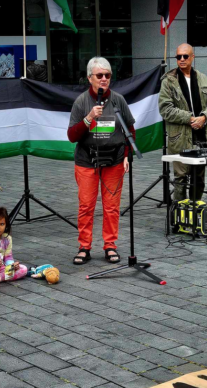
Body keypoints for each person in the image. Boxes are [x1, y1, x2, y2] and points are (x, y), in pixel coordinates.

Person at [67, 56, 135, 265]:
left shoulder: (118, 100)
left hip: (113, 161)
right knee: (86, 207)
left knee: (111, 207)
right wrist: (88, 118)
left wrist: (126, 157)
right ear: (90, 78)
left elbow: (130, 130)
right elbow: (71, 136)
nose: (104, 79)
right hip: (87, 161)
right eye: (100, 75)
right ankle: (84, 247)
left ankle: (110, 246)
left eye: (107, 75)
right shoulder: (81, 102)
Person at [159, 43, 207, 201]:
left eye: (185, 56)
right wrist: (191, 118)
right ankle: (180, 217)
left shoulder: (203, 79)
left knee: (199, 178)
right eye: (178, 57)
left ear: (193, 57)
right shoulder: (168, 81)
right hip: (180, 139)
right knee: (181, 179)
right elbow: (165, 109)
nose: (182, 59)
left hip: (201, 137)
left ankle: (195, 211)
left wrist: (204, 117)